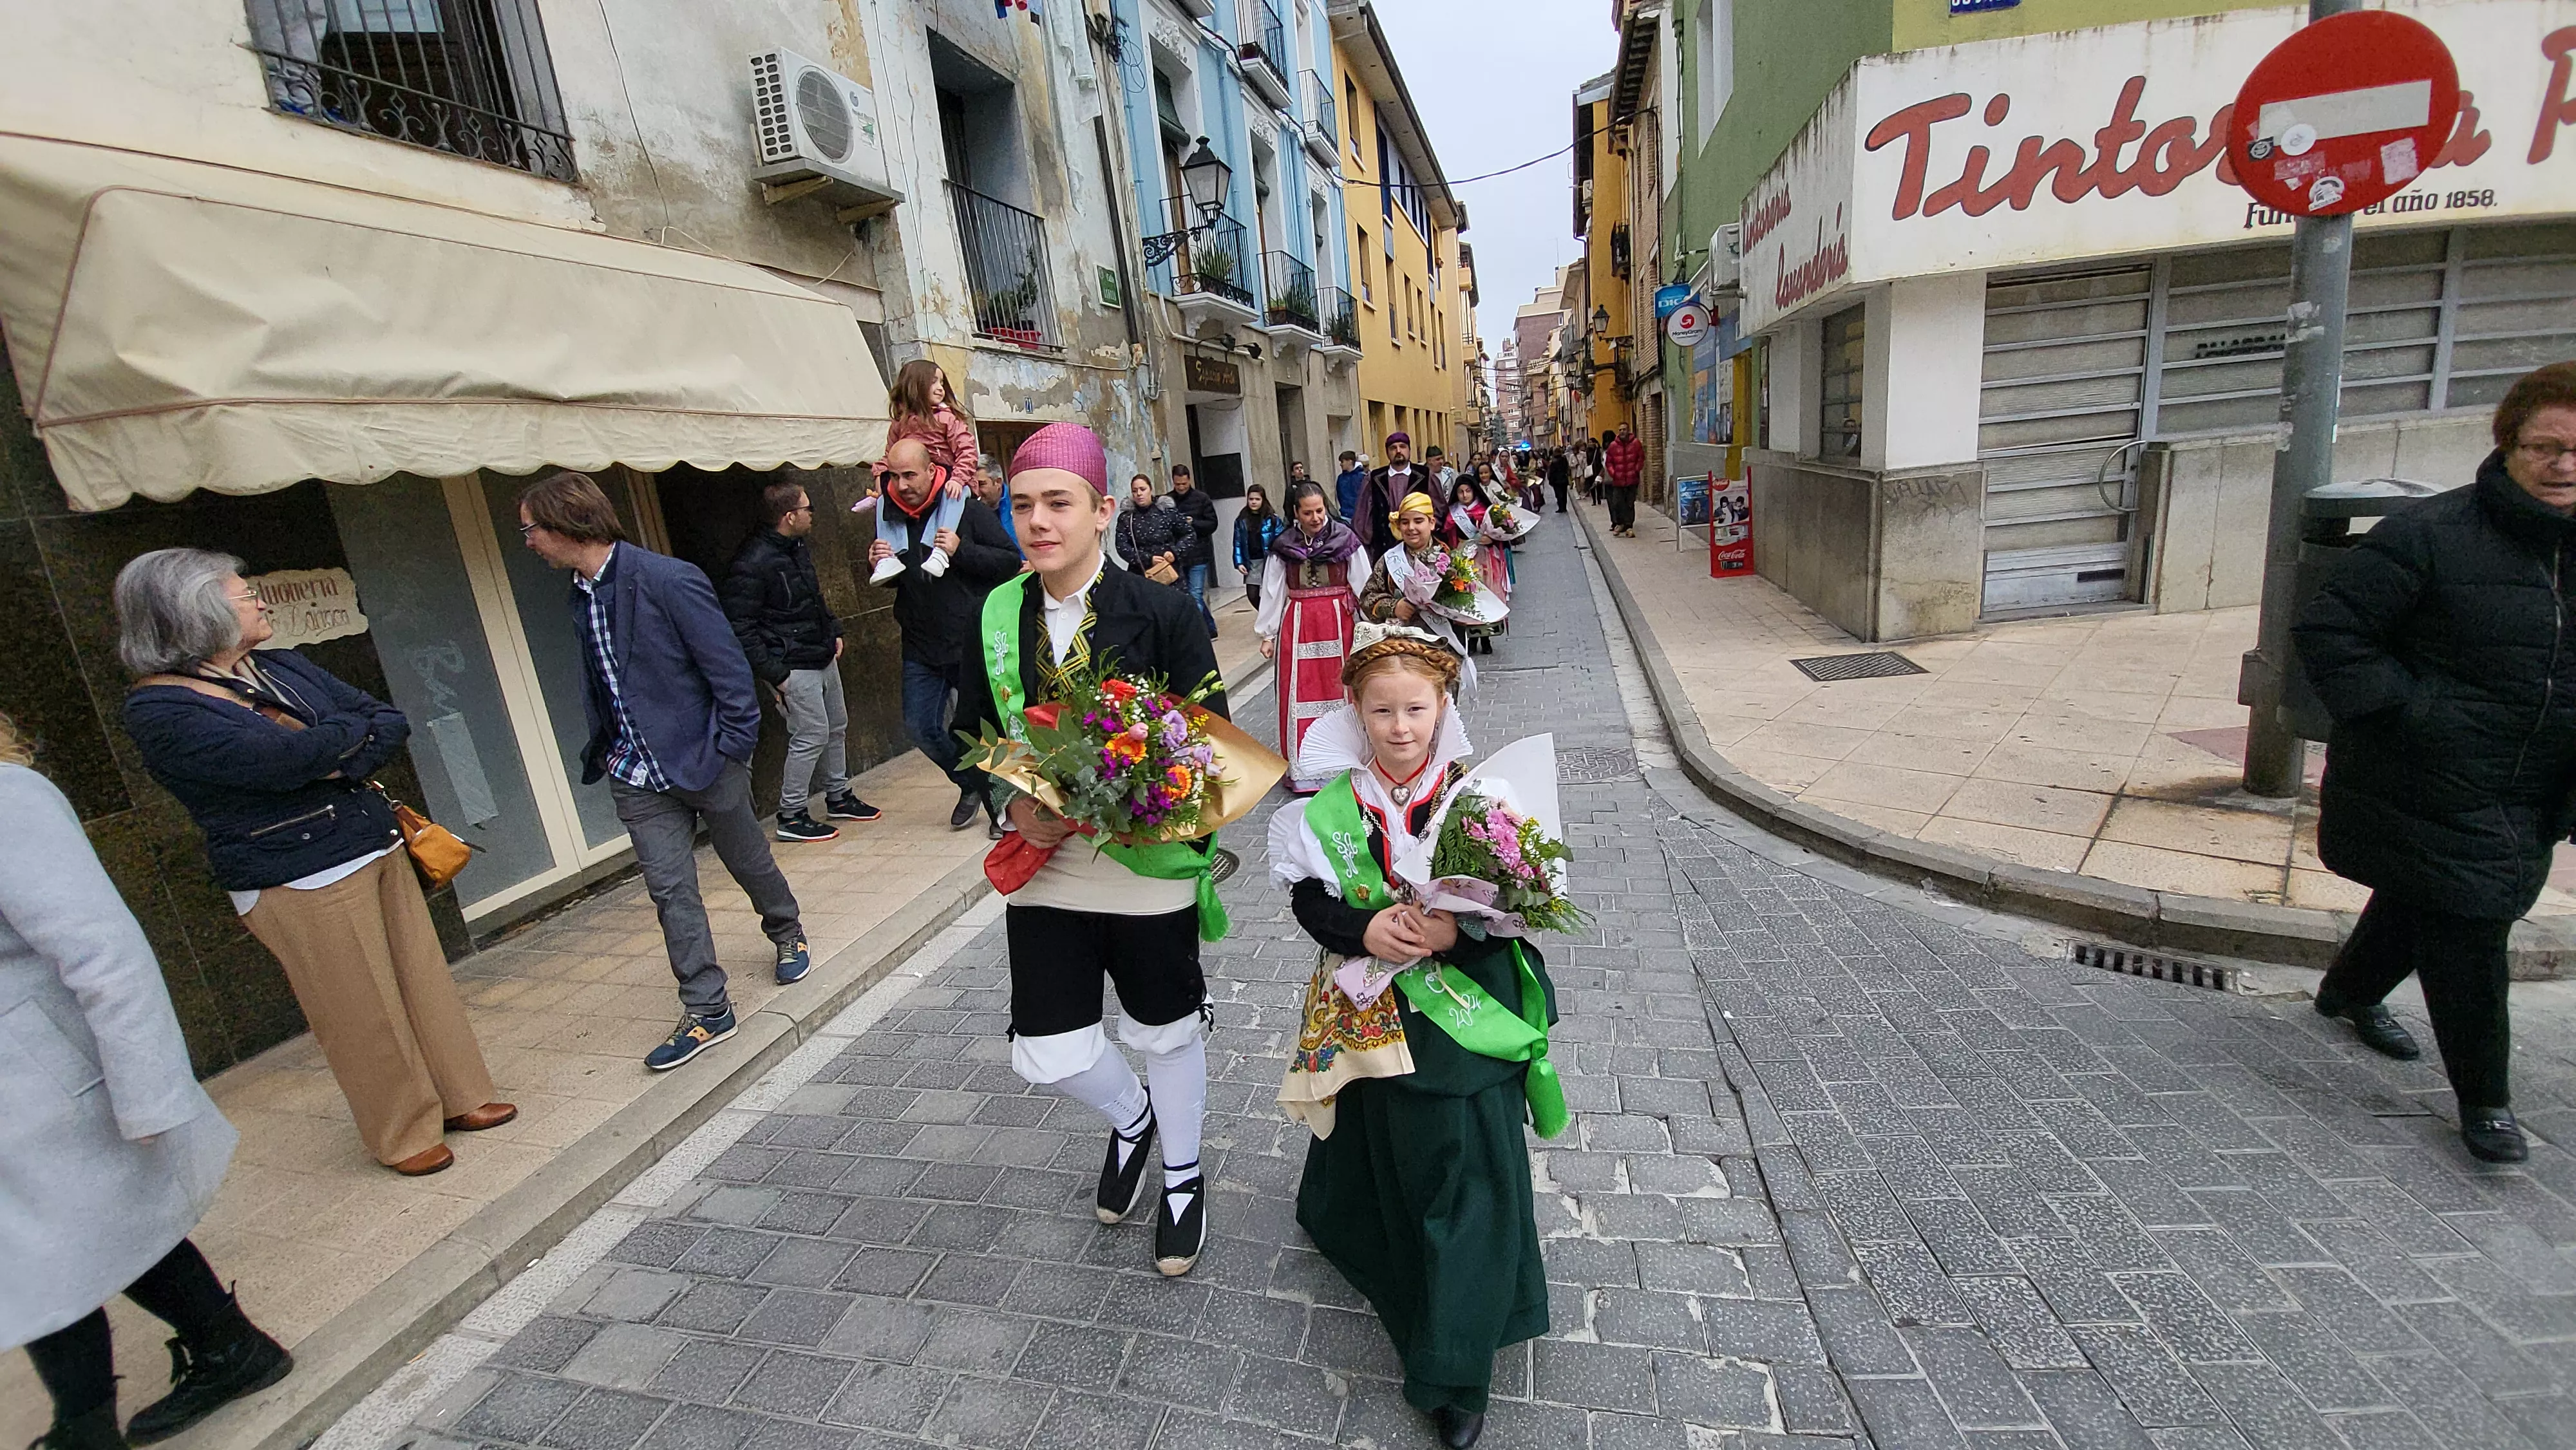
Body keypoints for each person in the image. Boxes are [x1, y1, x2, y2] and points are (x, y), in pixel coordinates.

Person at [117, 551, 511, 1178]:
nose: (259, 600)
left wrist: (324, 753)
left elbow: (387, 719)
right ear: (197, 610)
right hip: (297, 874)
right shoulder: (161, 710)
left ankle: (463, 1096)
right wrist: (331, 745)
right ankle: (404, 1132)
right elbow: (280, 763)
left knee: (422, 980)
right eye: (245, 593)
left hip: (375, 843)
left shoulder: (278, 666)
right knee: (360, 1009)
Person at [1267, 626, 1555, 1449]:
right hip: (1370, 996)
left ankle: (1455, 1362)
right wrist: (1364, 927)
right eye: (1382, 710)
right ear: (1354, 711)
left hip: (1465, 1006)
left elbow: (1518, 910)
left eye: (1417, 708)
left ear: (1444, 706)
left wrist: (1451, 939)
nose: (1400, 727)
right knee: (1368, 1114)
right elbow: (1309, 906)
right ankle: (1344, 1217)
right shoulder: (1329, 806)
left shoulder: (1483, 796)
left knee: (1462, 1166)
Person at [958, 422, 1230, 1277]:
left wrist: (1157, 807)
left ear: (1102, 511)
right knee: (1047, 1048)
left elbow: (1212, 747)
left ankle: (1181, 1177)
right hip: (1048, 865)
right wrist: (1011, 799)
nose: (1039, 521)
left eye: (1058, 504)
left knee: (1165, 1030)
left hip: (1146, 865)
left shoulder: (1164, 611)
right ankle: (1131, 1121)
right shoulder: (997, 616)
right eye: (1023, 505)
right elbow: (964, 730)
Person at [2295, 362, 2576, 1165]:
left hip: (2537, 780)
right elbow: (2331, 631)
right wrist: (2412, 712)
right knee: (2468, 925)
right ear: (2507, 446)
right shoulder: (2430, 534)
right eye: (2544, 447)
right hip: (2433, 774)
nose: (2563, 466)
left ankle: (2347, 991)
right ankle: (2486, 1099)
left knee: (2425, 894)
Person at [3, 716, 294, 1450]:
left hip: (37, 1090)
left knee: (44, 1256)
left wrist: (150, 1088)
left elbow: (105, 952)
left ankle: (86, 1426)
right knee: (90, 1234)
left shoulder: (9, 798)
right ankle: (232, 1347)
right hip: (21, 1095)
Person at [519, 471, 810, 1071]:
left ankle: (787, 930)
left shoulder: (667, 580)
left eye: (530, 530)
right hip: (635, 771)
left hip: (703, 758)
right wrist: (609, 750)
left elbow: (729, 673)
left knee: (746, 859)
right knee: (670, 888)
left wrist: (731, 750)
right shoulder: (582, 593)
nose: (527, 543)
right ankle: (708, 1009)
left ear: (564, 523)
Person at [871, 436, 1027, 836]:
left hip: (967, 640)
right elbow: (901, 580)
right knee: (921, 727)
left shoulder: (967, 509)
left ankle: (1003, 806)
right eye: (895, 475)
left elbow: (1009, 561)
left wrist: (961, 551)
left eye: (910, 475)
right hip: (920, 643)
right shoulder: (889, 515)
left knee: (983, 728)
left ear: (930, 471)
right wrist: (880, 563)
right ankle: (972, 783)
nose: (903, 484)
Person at [721, 480, 878, 843]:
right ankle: (791, 815)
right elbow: (740, 626)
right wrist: (776, 674)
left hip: (820, 653)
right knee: (810, 736)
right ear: (790, 516)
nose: (813, 515)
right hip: (792, 665)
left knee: (836, 726)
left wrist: (833, 629)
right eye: (808, 509)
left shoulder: (795, 548)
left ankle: (838, 796)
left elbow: (813, 597)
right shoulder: (754, 562)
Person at [1256, 481, 1370, 791]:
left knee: (1342, 689)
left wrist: (1372, 622)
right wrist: (1268, 633)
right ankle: (1306, 765)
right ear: (1296, 513)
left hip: (1339, 622)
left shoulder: (1346, 539)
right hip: (1299, 623)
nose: (1316, 517)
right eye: (1308, 512)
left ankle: (1345, 761)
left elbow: (1364, 583)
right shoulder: (1284, 546)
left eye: (1319, 510)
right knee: (1299, 693)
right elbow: (1273, 590)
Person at [861, 360, 977, 584]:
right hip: (921, 480)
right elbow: (889, 456)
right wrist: (880, 476)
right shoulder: (899, 424)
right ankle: (889, 555)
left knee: (955, 494)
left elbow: (967, 451)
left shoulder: (946, 418)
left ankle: (941, 551)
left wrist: (959, 478)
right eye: (933, 382)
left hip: (950, 477)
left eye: (942, 382)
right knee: (886, 497)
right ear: (916, 386)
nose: (940, 387)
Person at [1361, 492, 1486, 681]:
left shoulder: (1452, 561)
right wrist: (1395, 607)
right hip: (1403, 652)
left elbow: (1468, 600)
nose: (1411, 528)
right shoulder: (1389, 562)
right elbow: (1367, 598)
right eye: (1405, 522)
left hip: (1442, 649)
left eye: (1418, 521)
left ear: (1432, 523)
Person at [1359, 432, 1435, 558]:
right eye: (1393, 448)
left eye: (1402, 446)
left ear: (1409, 450)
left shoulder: (1425, 475)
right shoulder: (1374, 478)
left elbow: (1439, 509)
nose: (1398, 451)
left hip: (1421, 546)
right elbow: (1363, 515)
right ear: (1387, 452)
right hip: (1385, 548)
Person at [1168, 463, 1221, 637]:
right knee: (1187, 595)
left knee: (1195, 594)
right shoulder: (1168, 501)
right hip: (1178, 555)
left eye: (1184, 484)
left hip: (1199, 554)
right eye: (1178, 484)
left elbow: (1212, 524)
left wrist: (1193, 523)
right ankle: (1210, 627)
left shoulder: (1202, 498)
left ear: (1189, 480)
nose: (1181, 487)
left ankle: (1196, 634)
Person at [1115, 473, 1187, 581]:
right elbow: (1122, 546)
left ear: (1150, 489)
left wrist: (1175, 552)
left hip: (1170, 571)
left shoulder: (1166, 512)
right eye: (1135, 491)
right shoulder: (1127, 518)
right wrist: (1147, 559)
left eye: (1143, 489)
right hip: (1141, 575)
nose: (1139, 494)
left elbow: (1189, 534)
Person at [1233, 483, 1285, 611]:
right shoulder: (1241, 520)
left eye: (1257, 499)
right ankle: (1266, 615)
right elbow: (1238, 542)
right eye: (1251, 499)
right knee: (1252, 594)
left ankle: (1276, 618)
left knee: (1272, 594)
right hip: (1252, 562)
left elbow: (1281, 540)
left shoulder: (1272, 519)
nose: (1254, 502)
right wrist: (1239, 563)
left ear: (1263, 500)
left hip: (1269, 561)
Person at [1605, 426, 1643, 534]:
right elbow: (1609, 462)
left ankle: (1628, 525)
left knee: (1630, 503)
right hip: (1618, 480)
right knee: (1617, 502)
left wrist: (1636, 470)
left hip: (1632, 479)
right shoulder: (1613, 446)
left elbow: (1641, 458)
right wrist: (1614, 473)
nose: (1622, 432)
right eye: (1620, 430)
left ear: (1628, 431)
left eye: (1624, 429)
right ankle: (1620, 523)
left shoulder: (1636, 444)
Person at [1334, 449, 1368, 522]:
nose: (1341, 464)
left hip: (1361, 517)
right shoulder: (1341, 478)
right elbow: (1339, 496)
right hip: (1345, 516)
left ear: (1349, 461)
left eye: (1342, 461)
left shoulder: (1363, 477)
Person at [1547, 447, 1573, 514]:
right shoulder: (1564, 459)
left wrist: (1550, 480)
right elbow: (1567, 468)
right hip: (1564, 479)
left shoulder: (1553, 461)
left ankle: (1561, 508)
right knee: (1564, 494)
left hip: (1556, 480)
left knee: (1559, 494)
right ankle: (1564, 507)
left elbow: (1551, 472)